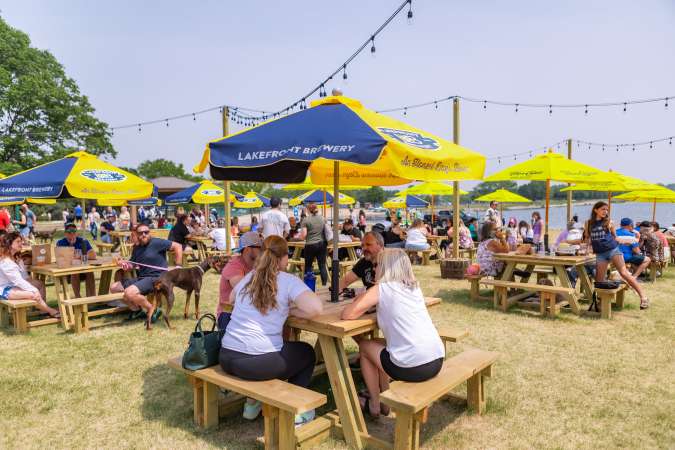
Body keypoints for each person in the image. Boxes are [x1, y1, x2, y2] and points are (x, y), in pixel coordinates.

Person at [220, 235, 322, 424]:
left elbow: (232, 299)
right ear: (285, 257)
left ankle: (253, 405)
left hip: (226, 356)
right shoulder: (287, 280)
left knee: (287, 350)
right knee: (306, 353)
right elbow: (316, 309)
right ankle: (298, 409)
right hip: (255, 363)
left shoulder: (251, 275)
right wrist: (290, 308)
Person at [341, 248, 444, 418]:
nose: (374, 269)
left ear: (387, 267)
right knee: (380, 345)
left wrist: (361, 298)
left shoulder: (383, 288)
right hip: (436, 360)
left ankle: (375, 403)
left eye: (377, 265)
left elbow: (347, 314)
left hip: (414, 366)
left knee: (366, 347)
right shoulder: (413, 287)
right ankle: (384, 399)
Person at [582, 202, 649, 309]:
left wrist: (628, 241)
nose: (605, 211)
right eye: (603, 209)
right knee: (599, 281)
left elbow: (615, 237)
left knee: (624, 273)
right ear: (595, 210)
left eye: (607, 210)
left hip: (613, 250)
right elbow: (587, 238)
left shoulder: (609, 222)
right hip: (600, 254)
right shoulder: (588, 223)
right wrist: (586, 250)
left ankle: (643, 298)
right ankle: (600, 303)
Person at [110, 223, 183, 321]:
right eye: (141, 233)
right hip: (143, 277)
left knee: (129, 293)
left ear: (150, 233)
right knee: (114, 288)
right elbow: (132, 264)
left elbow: (178, 246)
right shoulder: (137, 248)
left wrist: (178, 266)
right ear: (137, 235)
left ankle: (152, 310)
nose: (144, 234)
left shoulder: (157, 243)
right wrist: (124, 264)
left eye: (146, 232)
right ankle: (137, 310)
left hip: (157, 278)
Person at [0, 231, 59, 318]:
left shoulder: (17, 257)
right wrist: (33, 289)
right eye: (18, 242)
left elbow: (24, 277)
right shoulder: (5, 262)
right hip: (4, 289)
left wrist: (33, 284)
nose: (21, 243)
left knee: (39, 284)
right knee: (33, 294)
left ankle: (42, 310)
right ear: (9, 244)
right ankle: (50, 311)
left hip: (14, 285)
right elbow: (18, 281)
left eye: (21, 241)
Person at [216, 231, 262, 330]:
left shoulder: (257, 265)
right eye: (260, 248)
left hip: (248, 311)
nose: (263, 251)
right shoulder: (234, 265)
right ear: (248, 249)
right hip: (229, 314)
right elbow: (245, 291)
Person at [56, 223, 97, 298]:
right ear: (65, 233)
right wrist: (71, 246)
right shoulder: (61, 243)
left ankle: (92, 297)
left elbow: (93, 255)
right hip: (67, 271)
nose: (72, 234)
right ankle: (78, 297)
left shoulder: (83, 241)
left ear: (77, 233)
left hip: (83, 269)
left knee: (90, 272)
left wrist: (81, 257)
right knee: (74, 272)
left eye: (74, 231)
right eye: (69, 232)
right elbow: (62, 258)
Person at [300, 203, 328, 286]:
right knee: (322, 265)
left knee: (308, 265)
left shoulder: (306, 220)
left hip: (310, 245)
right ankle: (324, 284)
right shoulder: (323, 218)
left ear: (308, 210)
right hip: (322, 244)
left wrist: (299, 237)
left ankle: (308, 284)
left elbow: (303, 235)